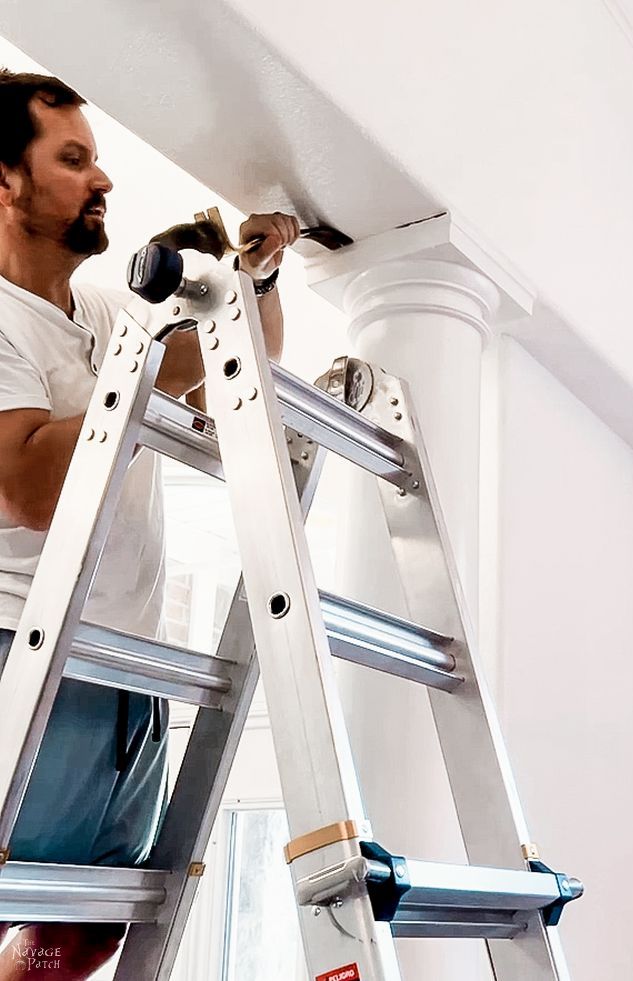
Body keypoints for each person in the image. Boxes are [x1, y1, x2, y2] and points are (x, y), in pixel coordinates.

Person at [0, 69, 300, 980]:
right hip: (26, 650)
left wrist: (257, 280)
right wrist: (153, 375)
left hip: (126, 659)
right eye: (75, 159)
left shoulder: (96, 312)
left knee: (93, 924)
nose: (104, 181)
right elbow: (30, 488)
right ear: (4, 180)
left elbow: (233, 374)